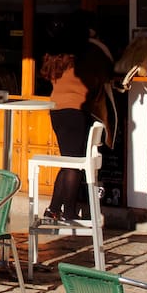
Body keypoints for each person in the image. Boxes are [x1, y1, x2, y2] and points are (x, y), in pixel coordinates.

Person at [43, 39, 112, 223]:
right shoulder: (88, 53)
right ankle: (69, 212)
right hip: (76, 110)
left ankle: (53, 209)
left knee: (69, 160)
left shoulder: (58, 54)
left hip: (57, 109)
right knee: (74, 164)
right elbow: (105, 75)